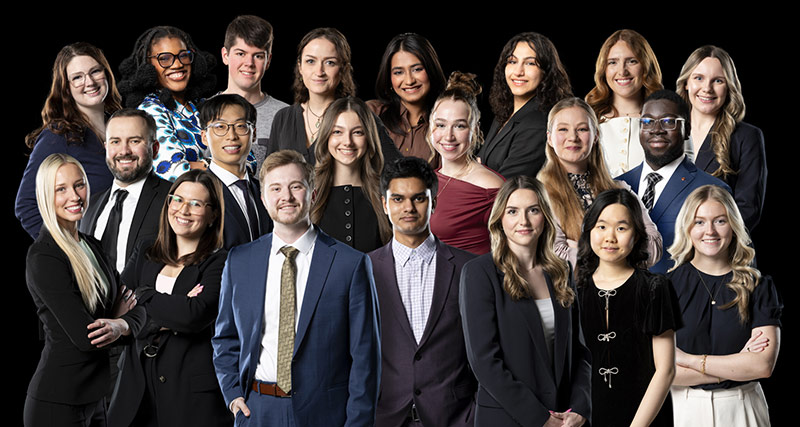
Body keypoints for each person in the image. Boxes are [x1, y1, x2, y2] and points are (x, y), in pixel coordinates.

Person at [212, 150, 380, 426]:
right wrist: (232, 394)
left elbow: (365, 358)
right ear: (264, 198)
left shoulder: (351, 264)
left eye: (296, 187)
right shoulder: (240, 261)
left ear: (312, 193)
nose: (286, 197)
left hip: (326, 415)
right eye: (275, 188)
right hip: (256, 410)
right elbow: (225, 337)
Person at [460, 176, 591, 427]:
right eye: (513, 211)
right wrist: (540, 418)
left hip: (565, 418)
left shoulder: (561, 271)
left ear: (545, 216)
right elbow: (484, 361)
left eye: (533, 210)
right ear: (500, 218)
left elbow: (580, 352)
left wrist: (581, 407)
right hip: (508, 418)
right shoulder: (480, 273)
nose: (524, 221)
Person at [24, 153, 143, 427]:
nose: (74, 196)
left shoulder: (93, 245)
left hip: (97, 398)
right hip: (58, 404)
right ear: (45, 195)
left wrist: (118, 323)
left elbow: (133, 307)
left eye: (79, 185)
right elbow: (85, 337)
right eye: (61, 189)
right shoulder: (44, 256)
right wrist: (121, 322)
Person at [108, 169, 230, 427]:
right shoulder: (145, 249)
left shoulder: (220, 261)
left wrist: (141, 296)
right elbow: (117, 308)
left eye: (196, 204)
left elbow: (193, 315)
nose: (183, 210)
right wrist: (173, 306)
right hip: (136, 389)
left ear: (212, 215)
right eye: (178, 199)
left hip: (189, 395)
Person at [368, 157, 477, 427]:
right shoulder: (363, 269)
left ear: (434, 202)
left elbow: (487, 349)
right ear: (384, 203)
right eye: (398, 199)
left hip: (455, 417)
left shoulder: (470, 268)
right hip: (385, 417)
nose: (408, 208)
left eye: (418, 198)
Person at [668, 185, 781, 426]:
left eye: (720, 221)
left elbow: (762, 365)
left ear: (733, 226)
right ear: (687, 227)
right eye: (699, 222)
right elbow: (656, 371)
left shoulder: (757, 285)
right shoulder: (665, 287)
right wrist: (736, 365)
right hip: (686, 410)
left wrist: (688, 360)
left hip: (745, 408)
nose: (709, 231)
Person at [576, 188, 682, 426]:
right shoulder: (574, 291)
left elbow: (665, 371)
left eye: (622, 228)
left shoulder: (656, 287)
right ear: (589, 230)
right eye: (601, 226)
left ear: (636, 234)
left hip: (645, 418)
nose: (610, 237)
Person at [118, 26, 255, 181]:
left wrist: (201, 164)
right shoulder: (150, 111)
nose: (177, 65)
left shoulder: (203, 106)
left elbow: (250, 161)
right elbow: (172, 169)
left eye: (183, 56)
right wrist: (230, 164)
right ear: (148, 65)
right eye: (164, 58)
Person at [538, 97, 662, 268]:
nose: (572, 137)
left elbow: (654, 244)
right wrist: (620, 252)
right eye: (563, 129)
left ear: (596, 135)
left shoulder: (620, 188)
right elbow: (554, 256)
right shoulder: (539, 194)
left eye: (582, 129)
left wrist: (579, 249)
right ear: (550, 138)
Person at [17, 42, 122, 240]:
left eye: (95, 71)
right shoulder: (58, 135)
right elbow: (26, 204)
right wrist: (69, 252)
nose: (89, 82)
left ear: (106, 74)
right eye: (77, 77)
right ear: (66, 88)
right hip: (90, 258)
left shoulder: (121, 127)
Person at [618, 90, 730, 273]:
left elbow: (733, 262)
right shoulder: (617, 185)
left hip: (682, 298)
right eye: (647, 122)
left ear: (687, 130)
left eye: (668, 121)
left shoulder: (712, 189)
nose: (656, 130)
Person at [267, 27, 401, 166]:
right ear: (300, 67)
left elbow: (399, 168)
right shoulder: (282, 118)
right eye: (311, 61)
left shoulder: (360, 115)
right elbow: (268, 175)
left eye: (329, 62)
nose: (319, 72)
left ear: (343, 69)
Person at [676, 45, 766, 232]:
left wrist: (705, 238)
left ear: (729, 87)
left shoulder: (747, 137)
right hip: (668, 251)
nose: (707, 88)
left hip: (718, 250)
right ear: (686, 83)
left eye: (718, 81)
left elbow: (748, 208)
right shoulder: (667, 132)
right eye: (698, 78)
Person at [80, 108, 172, 273]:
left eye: (135, 141)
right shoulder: (90, 205)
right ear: (106, 148)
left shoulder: (172, 199)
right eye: (115, 142)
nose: (124, 151)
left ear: (155, 148)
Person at [477, 32, 572, 180]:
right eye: (512, 61)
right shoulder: (504, 113)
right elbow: (477, 163)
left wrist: (476, 172)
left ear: (546, 72)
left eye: (530, 63)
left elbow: (507, 185)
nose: (518, 72)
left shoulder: (538, 123)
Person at [428, 72, 504, 255]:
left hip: (467, 280)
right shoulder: (428, 179)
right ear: (431, 127)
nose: (448, 136)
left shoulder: (491, 187)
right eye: (441, 125)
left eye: (460, 126)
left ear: (475, 129)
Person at [311, 96, 391, 253]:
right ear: (327, 136)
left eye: (358, 132)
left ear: (369, 137)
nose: (347, 141)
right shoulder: (307, 194)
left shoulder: (387, 195)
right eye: (337, 132)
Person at [585, 29, 665, 177]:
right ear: (604, 69)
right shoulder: (587, 119)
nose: (622, 71)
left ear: (646, 66)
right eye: (613, 62)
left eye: (632, 61)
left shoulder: (668, 119)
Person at [200, 94, 272, 249]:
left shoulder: (265, 191)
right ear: (204, 137)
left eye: (241, 126)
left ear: (254, 134)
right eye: (220, 127)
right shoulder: (199, 192)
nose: (231, 136)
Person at [219, 15, 289, 172]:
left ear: (268, 61)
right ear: (225, 56)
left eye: (258, 56)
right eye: (240, 53)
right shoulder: (202, 110)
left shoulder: (286, 115)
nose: (249, 63)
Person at [367, 33, 446, 164]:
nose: (409, 81)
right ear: (389, 77)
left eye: (417, 69)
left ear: (431, 69)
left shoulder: (447, 121)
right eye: (398, 72)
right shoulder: (373, 113)